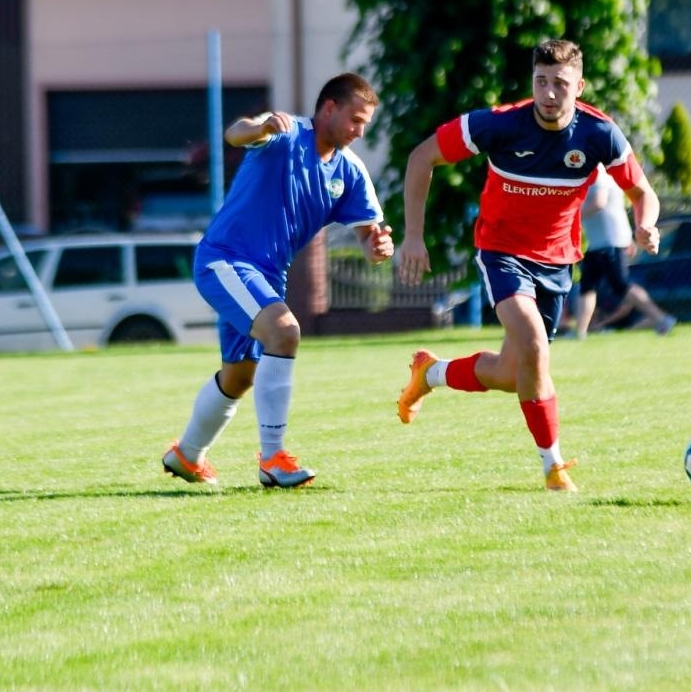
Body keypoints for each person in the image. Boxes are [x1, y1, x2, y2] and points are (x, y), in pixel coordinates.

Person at [394, 39, 662, 492]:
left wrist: (646, 225)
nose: (549, 93)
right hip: (501, 252)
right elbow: (423, 156)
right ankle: (553, 467)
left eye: (561, 83)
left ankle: (430, 373)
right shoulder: (499, 124)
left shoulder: (600, 133)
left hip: (557, 262)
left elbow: (642, 193)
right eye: (541, 81)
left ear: (580, 86)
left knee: (511, 373)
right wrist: (414, 236)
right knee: (535, 344)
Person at [161, 73, 394, 488]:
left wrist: (377, 246)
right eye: (355, 120)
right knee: (285, 332)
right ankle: (273, 459)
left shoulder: (350, 171)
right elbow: (236, 133)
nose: (360, 132)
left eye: (365, 124)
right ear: (329, 108)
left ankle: (187, 454)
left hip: (267, 277)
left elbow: (368, 234)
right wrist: (262, 128)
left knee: (240, 376)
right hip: (225, 260)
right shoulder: (285, 134)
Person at [575, 170, 676, 337]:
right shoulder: (593, 173)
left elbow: (599, 202)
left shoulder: (599, 173)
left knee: (621, 285)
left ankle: (660, 318)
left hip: (610, 241)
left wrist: (567, 215)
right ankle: (580, 332)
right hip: (599, 242)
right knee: (587, 285)